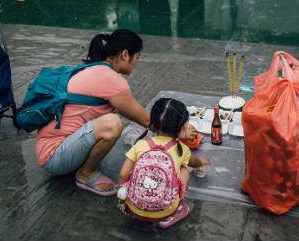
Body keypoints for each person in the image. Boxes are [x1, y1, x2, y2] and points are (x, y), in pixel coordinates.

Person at [35, 30, 197, 196]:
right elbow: (147, 120)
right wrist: (178, 130)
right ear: (126, 55)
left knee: (119, 123)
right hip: (55, 156)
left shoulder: (95, 69)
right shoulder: (111, 79)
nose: (136, 63)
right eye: (137, 57)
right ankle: (85, 174)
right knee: (112, 124)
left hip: (57, 146)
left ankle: (82, 166)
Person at [116, 98, 211, 228]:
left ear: (152, 122)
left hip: (135, 208)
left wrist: (123, 201)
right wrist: (201, 162)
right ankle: (175, 212)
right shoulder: (182, 149)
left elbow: (122, 174)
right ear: (181, 127)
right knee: (184, 170)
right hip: (165, 211)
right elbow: (194, 162)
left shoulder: (141, 144)